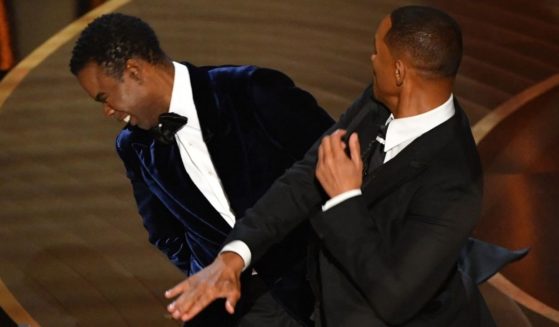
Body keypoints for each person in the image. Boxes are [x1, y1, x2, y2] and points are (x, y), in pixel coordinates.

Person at [164, 5, 520, 326]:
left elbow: (394, 298)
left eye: (377, 50)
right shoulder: (380, 100)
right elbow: (306, 176)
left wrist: (345, 199)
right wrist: (234, 255)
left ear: (399, 71)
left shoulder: (456, 181)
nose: (370, 58)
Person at [69, 13, 334, 327]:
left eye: (105, 97)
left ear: (134, 72)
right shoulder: (132, 146)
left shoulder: (251, 90)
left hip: (317, 286)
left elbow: (337, 164)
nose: (107, 111)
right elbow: (163, 233)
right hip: (232, 310)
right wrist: (208, 269)